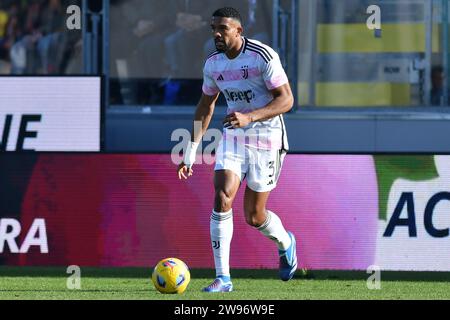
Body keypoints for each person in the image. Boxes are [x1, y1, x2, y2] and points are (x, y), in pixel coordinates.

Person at [177, 7, 297, 292]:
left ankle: (286, 242)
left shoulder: (262, 57)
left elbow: (287, 100)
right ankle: (224, 278)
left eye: (223, 28)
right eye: (214, 28)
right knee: (221, 197)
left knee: (255, 217)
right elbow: (206, 106)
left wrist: (251, 116)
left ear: (239, 31)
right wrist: (191, 149)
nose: (217, 33)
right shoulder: (213, 64)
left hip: (267, 137)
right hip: (234, 136)